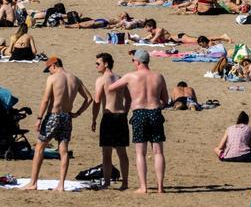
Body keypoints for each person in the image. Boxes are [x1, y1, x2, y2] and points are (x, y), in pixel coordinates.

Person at [23, 57, 93, 192]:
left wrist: (39, 118)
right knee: (64, 150)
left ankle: (33, 182)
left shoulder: (53, 78)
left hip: (53, 116)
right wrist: (78, 113)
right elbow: (89, 98)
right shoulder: (75, 79)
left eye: (49, 69)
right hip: (67, 116)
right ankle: (61, 185)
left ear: (54, 65)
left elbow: (45, 100)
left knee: (39, 148)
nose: (49, 72)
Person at [108, 50, 170, 193]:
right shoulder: (158, 77)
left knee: (140, 153)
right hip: (154, 112)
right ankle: (160, 187)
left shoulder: (131, 76)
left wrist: (127, 92)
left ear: (138, 62)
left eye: (133, 60)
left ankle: (144, 187)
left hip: (139, 112)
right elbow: (165, 100)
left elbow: (111, 88)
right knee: (158, 152)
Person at [91, 53, 130, 190]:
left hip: (108, 116)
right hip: (120, 116)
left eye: (98, 63)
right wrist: (125, 112)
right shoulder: (120, 78)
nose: (96, 65)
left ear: (106, 64)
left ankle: (107, 182)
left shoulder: (101, 80)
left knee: (106, 153)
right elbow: (128, 98)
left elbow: (96, 101)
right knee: (122, 152)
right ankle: (125, 182)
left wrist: (94, 119)